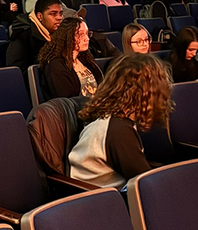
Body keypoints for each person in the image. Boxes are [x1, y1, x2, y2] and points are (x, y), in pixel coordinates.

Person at [69, 54, 172, 188]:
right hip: (101, 200)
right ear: (146, 92)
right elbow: (145, 184)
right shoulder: (119, 131)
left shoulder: (112, 118)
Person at [38, 17, 103, 99]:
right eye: (80, 34)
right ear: (67, 36)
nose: (87, 39)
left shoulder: (85, 59)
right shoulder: (56, 66)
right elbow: (67, 100)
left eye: (87, 34)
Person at [7, 0, 65, 73]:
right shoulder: (23, 36)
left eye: (61, 13)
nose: (59, 18)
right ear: (40, 16)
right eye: (53, 14)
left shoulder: (62, 33)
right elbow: (16, 71)